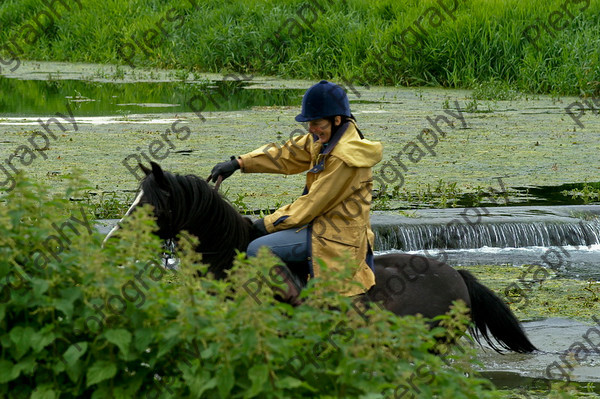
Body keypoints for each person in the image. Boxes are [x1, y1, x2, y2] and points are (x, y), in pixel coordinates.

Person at [209, 80, 382, 296]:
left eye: (316, 123)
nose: (311, 129)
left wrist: (266, 224)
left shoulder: (343, 157)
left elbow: (312, 204)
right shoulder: (324, 139)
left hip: (335, 234)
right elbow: (286, 155)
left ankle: (297, 309)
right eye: (310, 123)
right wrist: (240, 163)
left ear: (337, 120)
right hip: (318, 225)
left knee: (259, 249)